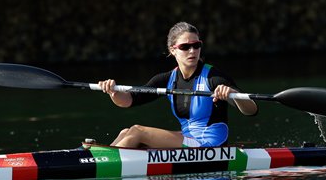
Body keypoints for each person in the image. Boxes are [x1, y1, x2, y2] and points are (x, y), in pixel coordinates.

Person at [98, 22, 258, 148]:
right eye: (185, 47)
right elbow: (129, 100)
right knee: (126, 132)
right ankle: (96, 159)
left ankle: (99, 166)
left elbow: (251, 110)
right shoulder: (166, 79)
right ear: (172, 50)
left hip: (210, 146)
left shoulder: (214, 77)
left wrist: (231, 93)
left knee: (137, 131)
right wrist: (113, 92)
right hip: (188, 142)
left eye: (197, 45)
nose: (192, 51)